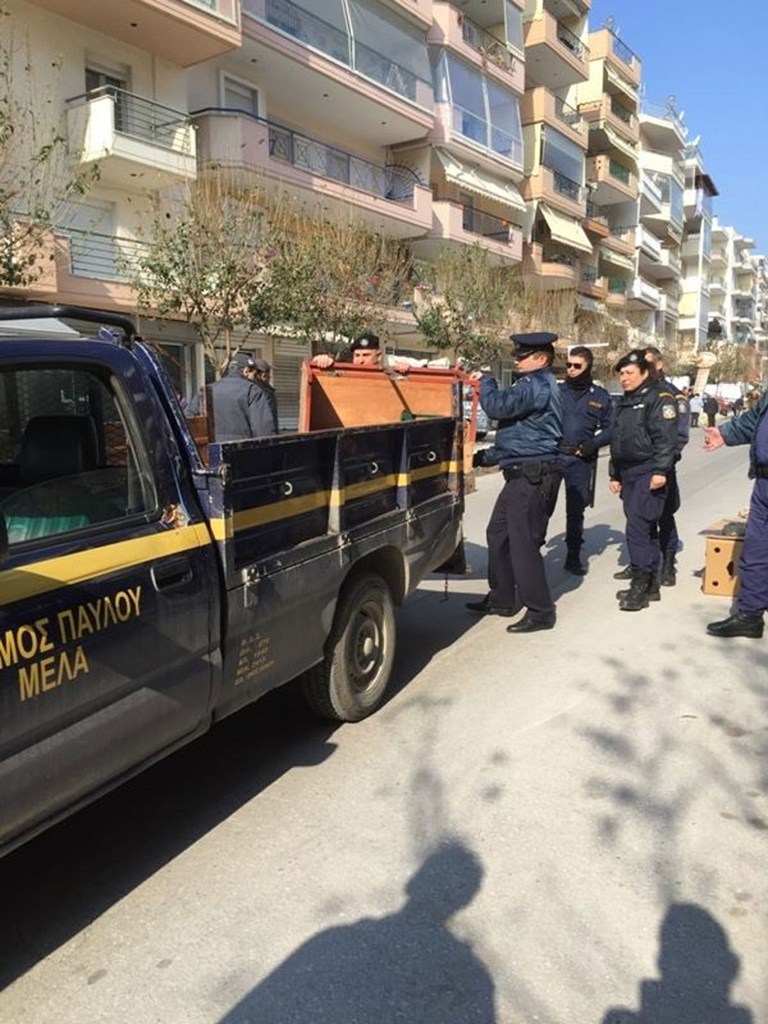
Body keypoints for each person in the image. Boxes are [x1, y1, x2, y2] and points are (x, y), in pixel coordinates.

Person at [466, 332, 563, 633]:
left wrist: (486, 382)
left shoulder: (536, 384)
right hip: (521, 471)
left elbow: (498, 408)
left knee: (523, 544)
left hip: (532, 475)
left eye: (523, 356)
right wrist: (485, 457)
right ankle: (502, 598)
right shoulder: (532, 384)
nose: (517, 360)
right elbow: (521, 436)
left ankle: (541, 611)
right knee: (498, 534)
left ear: (542, 359)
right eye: (517, 355)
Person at [609, 350, 679, 611]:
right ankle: (651, 585)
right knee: (645, 528)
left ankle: (640, 584)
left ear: (644, 372)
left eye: (629, 373)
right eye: (621, 374)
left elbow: (665, 439)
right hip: (628, 472)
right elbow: (617, 440)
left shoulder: (660, 399)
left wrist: (660, 471)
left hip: (648, 470)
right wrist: (615, 473)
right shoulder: (625, 402)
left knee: (637, 528)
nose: (624, 378)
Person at [703, 389, 768, 638]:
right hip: (764, 482)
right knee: (756, 551)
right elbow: (754, 419)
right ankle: (750, 616)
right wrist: (725, 433)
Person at [557, 345, 612, 575]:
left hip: (580, 460)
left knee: (575, 511)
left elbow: (611, 428)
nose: (571, 369)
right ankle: (532, 554)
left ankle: (573, 556)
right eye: (568, 364)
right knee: (540, 508)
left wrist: (594, 444)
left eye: (577, 365)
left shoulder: (599, 396)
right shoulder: (556, 391)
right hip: (554, 457)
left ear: (588, 367)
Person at [642, 345, 690, 587]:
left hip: (662, 465)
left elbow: (679, 435)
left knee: (664, 515)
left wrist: (666, 462)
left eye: (648, 364)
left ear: (659, 365)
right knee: (640, 517)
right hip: (639, 466)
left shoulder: (672, 396)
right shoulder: (638, 393)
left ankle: (668, 563)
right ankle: (643, 563)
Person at [210, 351, 278, 441]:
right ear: (246, 371)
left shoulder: (208, 390)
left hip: (210, 446)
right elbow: (263, 429)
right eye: (254, 374)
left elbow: (192, 420)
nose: (254, 378)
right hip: (242, 446)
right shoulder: (252, 391)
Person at [309, 332, 413, 373]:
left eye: (366, 355)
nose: (360, 360)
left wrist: (406, 368)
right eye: (357, 355)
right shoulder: (348, 371)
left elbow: (421, 365)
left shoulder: (391, 366)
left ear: (379, 356)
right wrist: (320, 359)